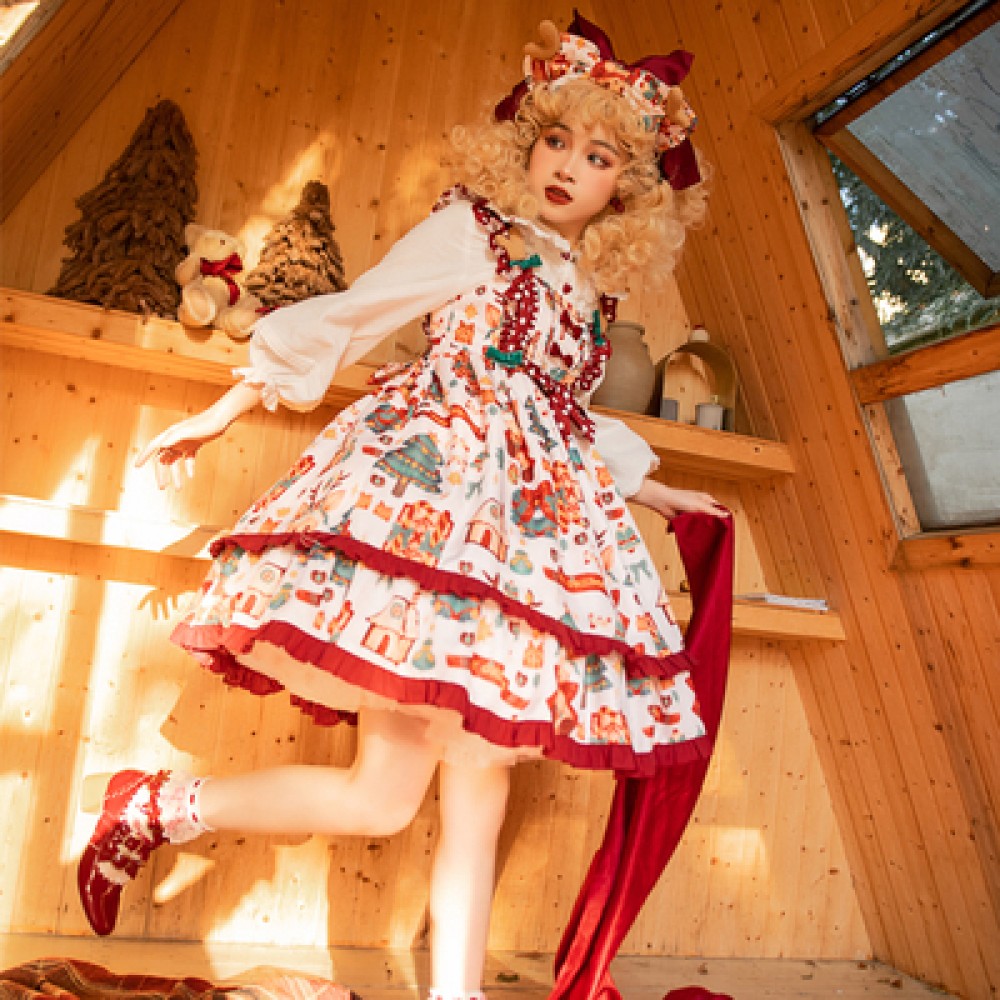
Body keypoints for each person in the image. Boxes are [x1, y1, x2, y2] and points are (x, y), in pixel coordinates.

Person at [78, 15, 727, 1000]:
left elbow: (566, 422)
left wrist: (664, 493)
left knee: (457, 784)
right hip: (428, 519)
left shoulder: (590, 295)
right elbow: (352, 315)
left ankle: (436, 983)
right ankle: (158, 804)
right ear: (526, 142)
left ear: (625, 190)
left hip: (521, 553)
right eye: (556, 139)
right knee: (390, 799)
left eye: (597, 157)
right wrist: (218, 413)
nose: (566, 167)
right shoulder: (473, 232)